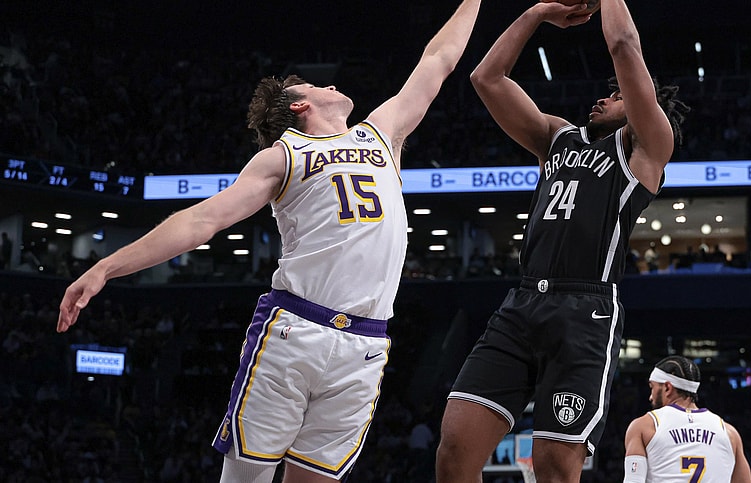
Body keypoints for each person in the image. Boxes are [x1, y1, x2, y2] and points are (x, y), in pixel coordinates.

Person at [56, 1, 483, 481]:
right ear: (300, 105)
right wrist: (105, 267)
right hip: (295, 329)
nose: (333, 84)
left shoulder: (382, 135)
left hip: (367, 343)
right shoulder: (285, 154)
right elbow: (201, 221)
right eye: (317, 85)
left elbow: (438, 58)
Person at [436, 0, 689, 481]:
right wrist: (535, 14)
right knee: (454, 451)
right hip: (523, 301)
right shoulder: (557, 137)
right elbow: (486, 79)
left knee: (553, 466)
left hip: (585, 311)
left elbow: (622, 44)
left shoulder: (645, 149)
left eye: (615, 96)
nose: (602, 98)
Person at [622, 356, 751, 482]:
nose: (650, 397)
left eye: (652, 388)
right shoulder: (729, 433)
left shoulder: (645, 426)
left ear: (667, 388)